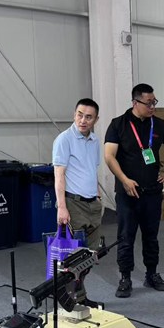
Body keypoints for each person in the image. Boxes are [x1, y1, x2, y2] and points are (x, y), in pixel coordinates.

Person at [104, 83, 164, 298]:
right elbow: (109, 156)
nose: (153, 106)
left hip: (152, 193)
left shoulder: (159, 124)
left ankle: (151, 274)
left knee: (151, 237)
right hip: (128, 194)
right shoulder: (118, 124)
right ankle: (125, 277)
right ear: (135, 102)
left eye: (154, 102)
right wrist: (124, 180)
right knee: (125, 237)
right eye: (149, 103)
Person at [52, 98, 102, 250]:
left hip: (93, 204)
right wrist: (62, 207)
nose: (83, 120)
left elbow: (92, 170)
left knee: (92, 253)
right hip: (73, 204)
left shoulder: (95, 141)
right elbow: (59, 175)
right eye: (80, 115)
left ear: (96, 120)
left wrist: (98, 196)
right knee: (72, 255)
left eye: (89, 117)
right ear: (74, 115)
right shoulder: (64, 139)